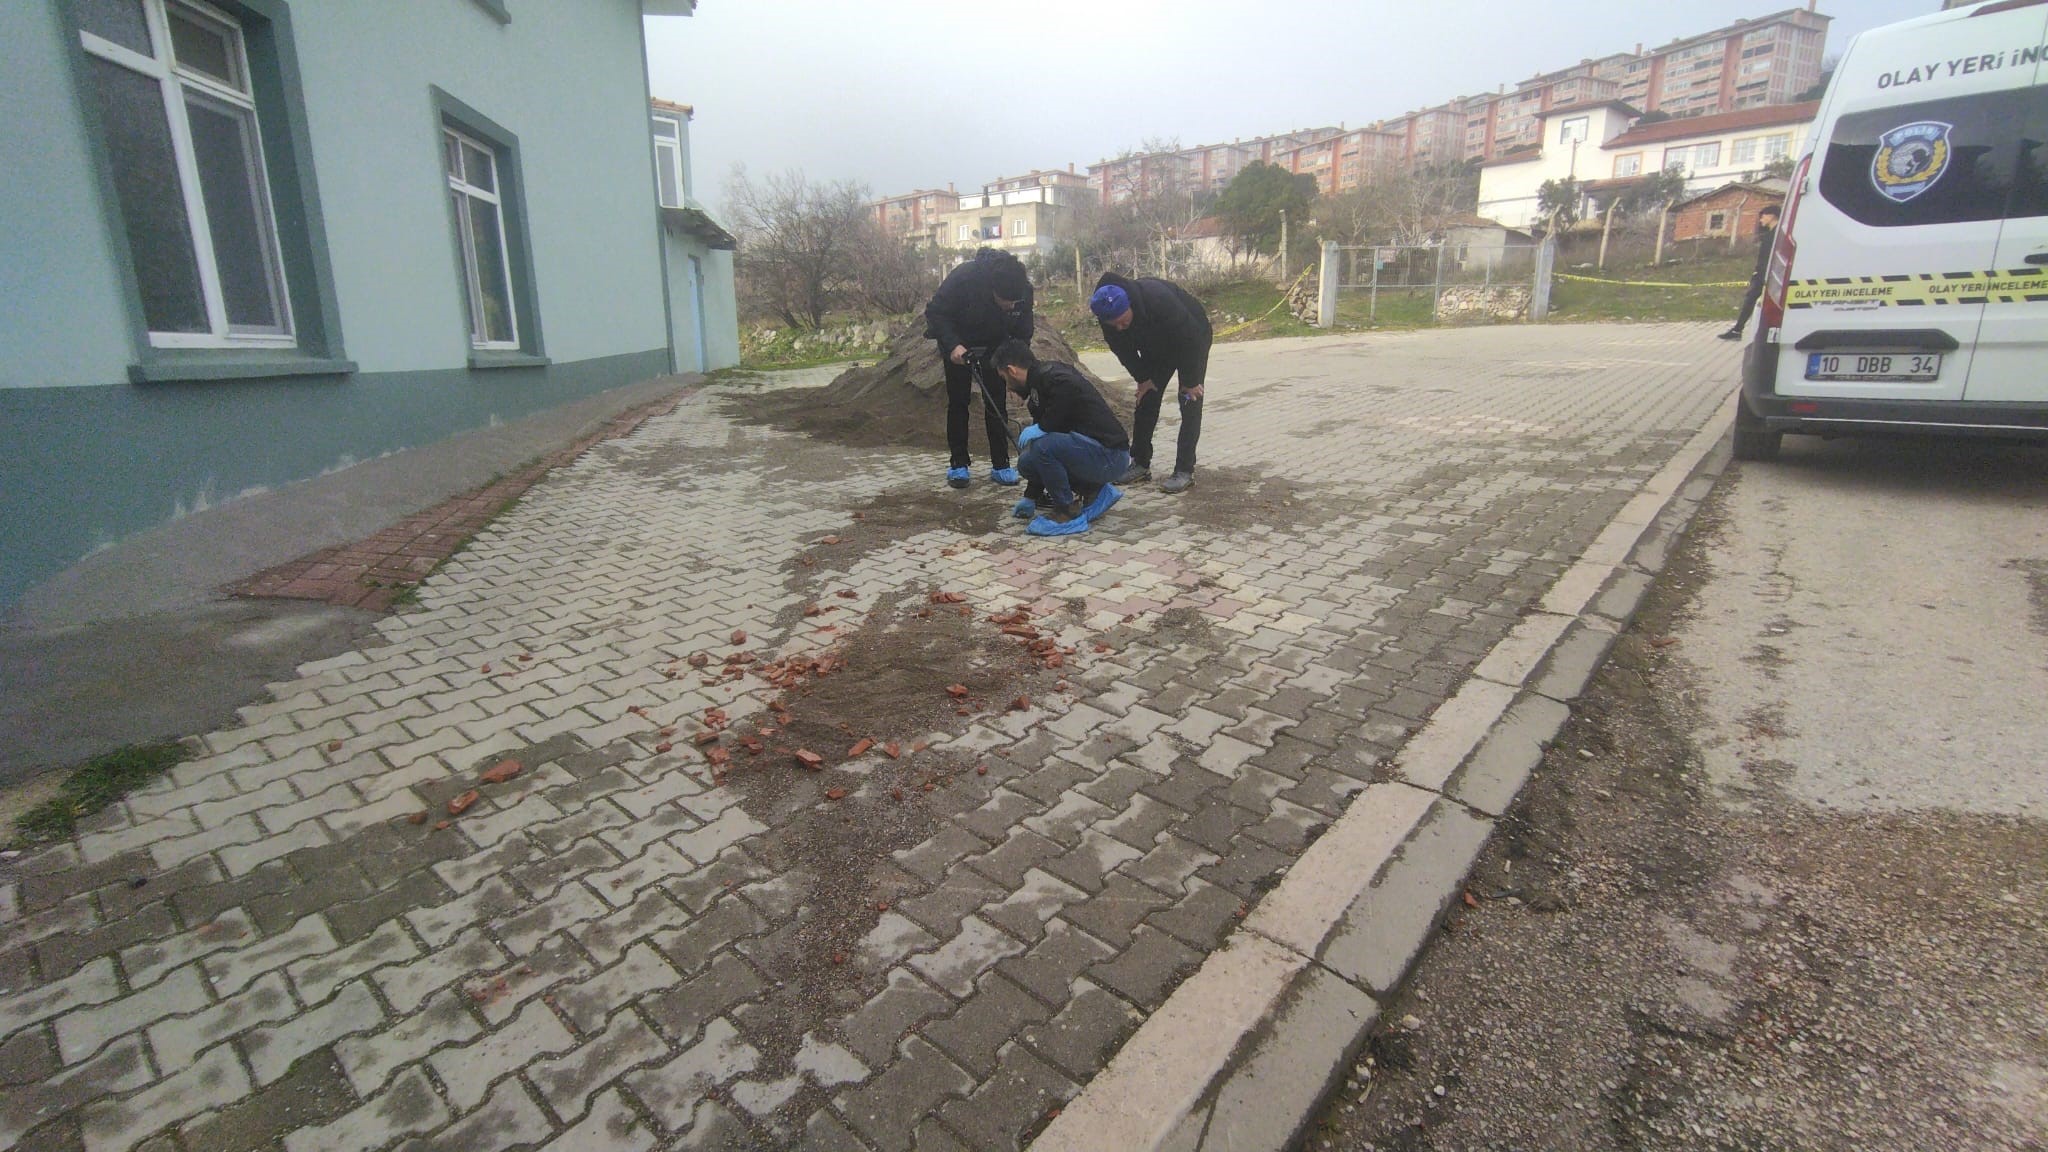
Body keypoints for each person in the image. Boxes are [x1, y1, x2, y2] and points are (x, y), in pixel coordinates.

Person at [1090, 272, 1213, 495]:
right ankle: (1140, 463)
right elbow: (1123, 351)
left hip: (1192, 338)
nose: (1119, 328)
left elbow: (1191, 337)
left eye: (1123, 322)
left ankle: (1184, 470)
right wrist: (1143, 378)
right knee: (1146, 399)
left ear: (1130, 305)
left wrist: (1191, 381)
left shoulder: (1157, 298)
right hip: (1156, 348)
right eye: (1114, 325)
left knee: (1189, 401)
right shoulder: (1107, 315)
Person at [924, 248, 1034, 489]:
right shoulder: (964, 278)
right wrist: (953, 344)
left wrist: (1016, 373)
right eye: (1006, 302)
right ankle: (959, 464)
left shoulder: (1022, 290)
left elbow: (1023, 332)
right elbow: (935, 312)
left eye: (1015, 302)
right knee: (959, 401)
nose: (1011, 306)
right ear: (993, 290)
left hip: (996, 347)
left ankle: (1001, 464)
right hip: (960, 346)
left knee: (997, 403)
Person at [990, 339, 1130, 524]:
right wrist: (1030, 496)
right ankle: (1093, 491)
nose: (1007, 387)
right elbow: (1042, 451)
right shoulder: (1038, 388)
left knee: (1043, 446)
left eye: (1004, 379)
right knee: (1027, 462)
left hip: (1111, 456)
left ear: (1012, 370)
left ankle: (1067, 511)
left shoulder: (1055, 377)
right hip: (1092, 453)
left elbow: (1064, 399)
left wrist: (1043, 427)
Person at [1720, 203, 1781, 341]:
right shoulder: (1774, 233)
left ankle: (1738, 330)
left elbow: (1767, 257)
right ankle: (1738, 329)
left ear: (1771, 216)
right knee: (1753, 300)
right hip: (1768, 273)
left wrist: (1759, 273)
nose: (1761, 220)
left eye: (1763, 216)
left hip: (1766, 274)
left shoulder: (1775, 235)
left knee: (1751, 299)